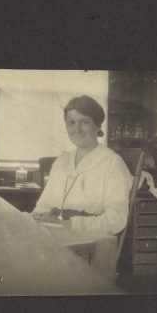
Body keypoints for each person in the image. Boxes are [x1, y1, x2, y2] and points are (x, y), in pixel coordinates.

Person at [31, 96, 132, 236]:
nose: (76, 129)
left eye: (85, 122)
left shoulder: (112, 163)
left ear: (97, 126)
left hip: (92, 240)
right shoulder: (61, 162)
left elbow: (116, 219)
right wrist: (35, 218)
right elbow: (43, 207)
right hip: (56, 235)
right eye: (71, 122)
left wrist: (70, 224)